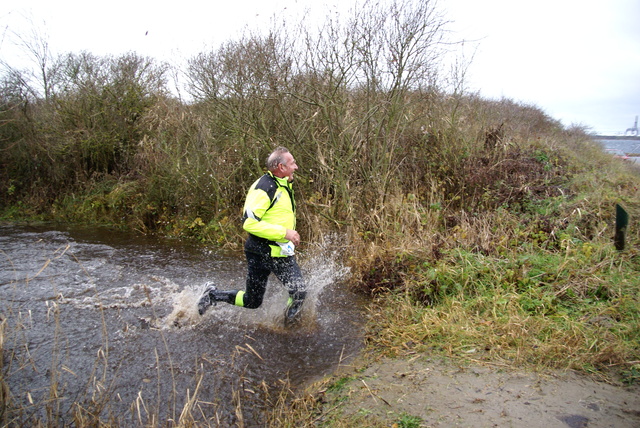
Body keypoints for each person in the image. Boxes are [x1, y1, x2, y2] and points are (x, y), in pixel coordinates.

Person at [197, 147, 307, 325]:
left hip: (275, 251)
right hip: (264, 252)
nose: (296, 167)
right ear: (281, 167)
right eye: (293, 163)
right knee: (296, 292)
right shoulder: (265, 188)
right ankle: (289, 329)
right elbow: (249, 222)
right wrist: (285, 232)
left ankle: (213, 294)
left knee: (253, 301)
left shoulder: (283, 184)